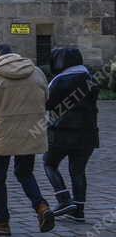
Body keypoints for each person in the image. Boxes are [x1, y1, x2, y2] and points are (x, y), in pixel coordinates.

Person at [0, 44, 55, 234]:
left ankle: (1, 222)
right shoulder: (37, 73)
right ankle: (42, 207)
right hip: (31, 132)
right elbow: (46, 97)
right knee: (25, 173)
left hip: (2, 135)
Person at [43, 46, 99, 223]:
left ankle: (63, 199)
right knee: (78, 171)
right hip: (88, 134)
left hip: (62, 132)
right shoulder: (90, 78)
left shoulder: (59, 81)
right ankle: (79, 210)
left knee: (49, 163)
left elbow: (48, 103)